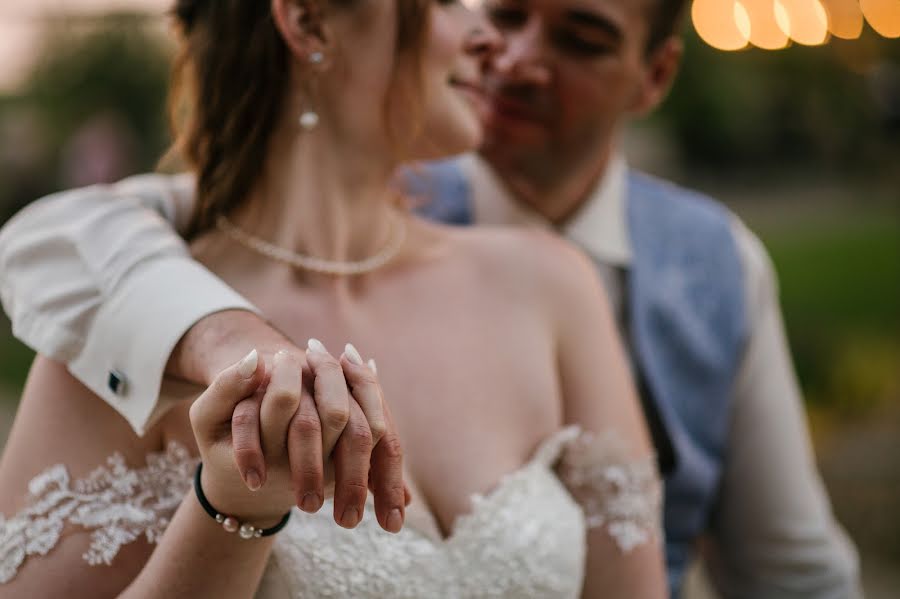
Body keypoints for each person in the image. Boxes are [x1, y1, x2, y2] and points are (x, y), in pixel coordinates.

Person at [0, 0, 860, 597]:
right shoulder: (124, 324)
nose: (493, 39)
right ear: (306, 19)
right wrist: (233, 504)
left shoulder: (551, 285)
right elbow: (65, 233)